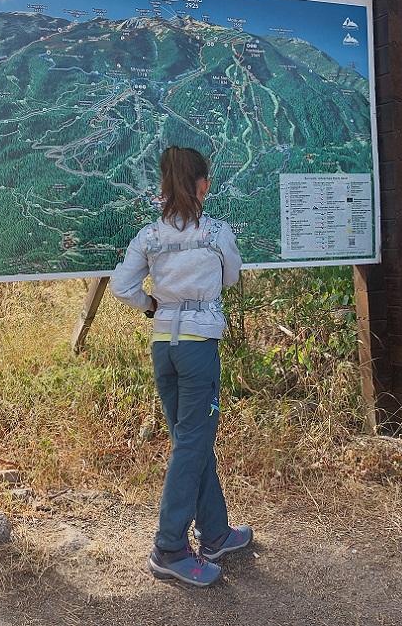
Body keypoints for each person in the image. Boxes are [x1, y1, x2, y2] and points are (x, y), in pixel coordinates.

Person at [110, 146, 253, 587]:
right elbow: (231, 277)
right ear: (203, 185)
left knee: (191, 441)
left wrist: (151, 304)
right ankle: (169, 548)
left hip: (164, 346)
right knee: (192, 444)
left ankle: (215, 533)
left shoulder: (149, 236)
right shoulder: (216, 232)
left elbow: (122, 286)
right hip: (198, 348)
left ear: (163, 186)